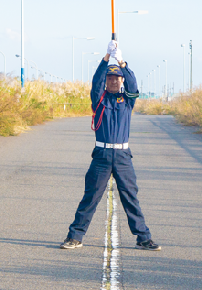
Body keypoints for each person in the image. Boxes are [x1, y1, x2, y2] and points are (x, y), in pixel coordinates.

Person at [60, 40, 161, 251]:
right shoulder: (99, 99)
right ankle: (75, 236)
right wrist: (106, 58)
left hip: (123, 156)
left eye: (117, 78)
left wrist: (121, 61)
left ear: (121, 80)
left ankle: (143, 237)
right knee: (91, 197)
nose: (113, 81)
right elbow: (95, 82)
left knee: (130, 198)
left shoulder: (128, 99)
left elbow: (134, 85)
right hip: (102, 155)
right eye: (110, 78)